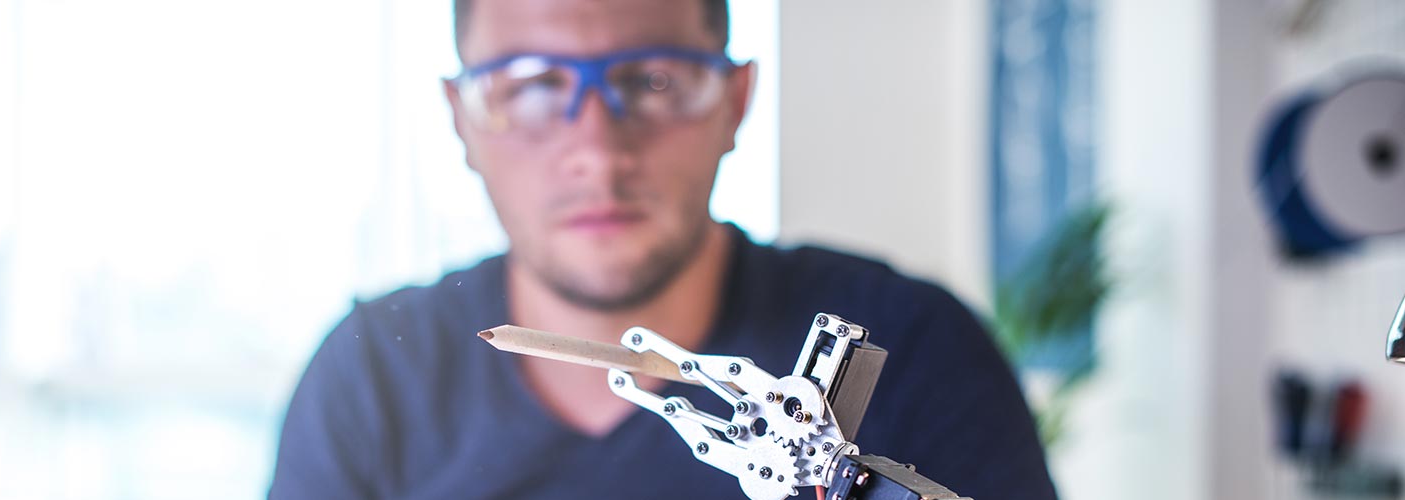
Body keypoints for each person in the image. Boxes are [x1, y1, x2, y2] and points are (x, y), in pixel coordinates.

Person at [268, 0, 1058, 498]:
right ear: (462, 119)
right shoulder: (370, 379)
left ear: (736, 103)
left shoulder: (919, 352)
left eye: (654, 80)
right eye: (534, 85)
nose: (599, 149)